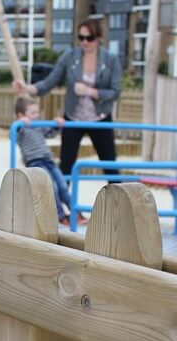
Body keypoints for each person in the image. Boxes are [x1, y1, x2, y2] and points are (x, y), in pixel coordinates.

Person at [13, 17, 122, 223]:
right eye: (80, 37)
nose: (84, 42)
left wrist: (91, 91)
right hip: (73, 118)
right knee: (66, 166)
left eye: (89, 38)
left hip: (100, 118)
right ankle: (61, 214)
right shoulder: (70, 57)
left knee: (110, 165)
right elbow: (49, 82)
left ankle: (123, 211)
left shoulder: (111, 59)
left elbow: (116, 91)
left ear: (98, 38)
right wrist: (26, 88)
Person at [14, 96, 71, 225]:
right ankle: (60, 216)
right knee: (53, 187)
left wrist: (57, 124)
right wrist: (20, 123)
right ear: (21, 115)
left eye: (37, 112)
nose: (36, 115)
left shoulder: (38, 125)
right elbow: (13, 136)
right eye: (32, 113)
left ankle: (75, 213)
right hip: (35, 162)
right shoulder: (21, 128)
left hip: (48, 160)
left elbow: (50, 133)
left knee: (62, 184)